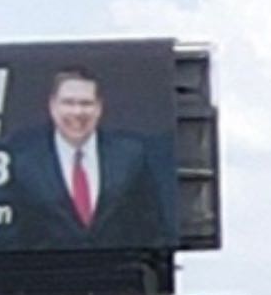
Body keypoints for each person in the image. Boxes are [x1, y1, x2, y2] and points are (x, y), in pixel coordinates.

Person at [12, 67, 171, 249]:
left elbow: (152, 230)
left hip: (119, 271)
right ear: (52, 106)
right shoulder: (24, 164)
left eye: (86, 103)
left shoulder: (130, 157)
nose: (78, 112)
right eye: (68, 103)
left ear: (99, 108)